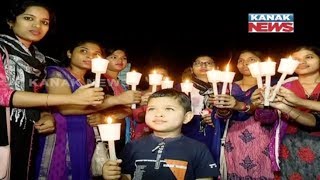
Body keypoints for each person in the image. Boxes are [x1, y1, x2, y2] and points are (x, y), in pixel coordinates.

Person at [35, 41, 141, 179]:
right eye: (83, 51)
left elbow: (105, 107)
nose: (90, 57)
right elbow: (66, 108)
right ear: (69, 53)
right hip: (64, 135)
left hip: (87, 136)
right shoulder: (56, 74)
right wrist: (117, 100)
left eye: (96, 54)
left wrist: (100, 113)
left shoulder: (91, 81)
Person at [102, 89, 219, 180]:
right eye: (152, 109)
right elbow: (127, 176)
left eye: (168, 109)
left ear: (187, 117)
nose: (158, 114)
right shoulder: (133, 146)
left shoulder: (198, 149)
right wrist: (114, 175)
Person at [213, 50, 276, 179]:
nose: (245, 63)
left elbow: (272, 112)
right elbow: (220, 114)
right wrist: (222, 110)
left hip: (263, 135)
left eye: (251, 59)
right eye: (240, 60)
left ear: (262, 63)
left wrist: (242, 106)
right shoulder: (227, 86)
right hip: (233, 136)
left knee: (263, 169)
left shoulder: (271, 85)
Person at [258, 46, 320, 179]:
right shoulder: (283, 86)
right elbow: (268, 119)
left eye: (308, 57)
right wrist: (261, 106)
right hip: (290, 145)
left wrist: (297, 101)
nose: (302, 62)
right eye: (296, 59)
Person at [180, 55, 217, 159]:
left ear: (216, 68)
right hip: (190, 128)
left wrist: (216, 116)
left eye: (208, 63)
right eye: (198, 63)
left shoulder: (224, 87)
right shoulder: (182, 87)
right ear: (192, 68)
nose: (203, 65)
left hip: (214, 130)